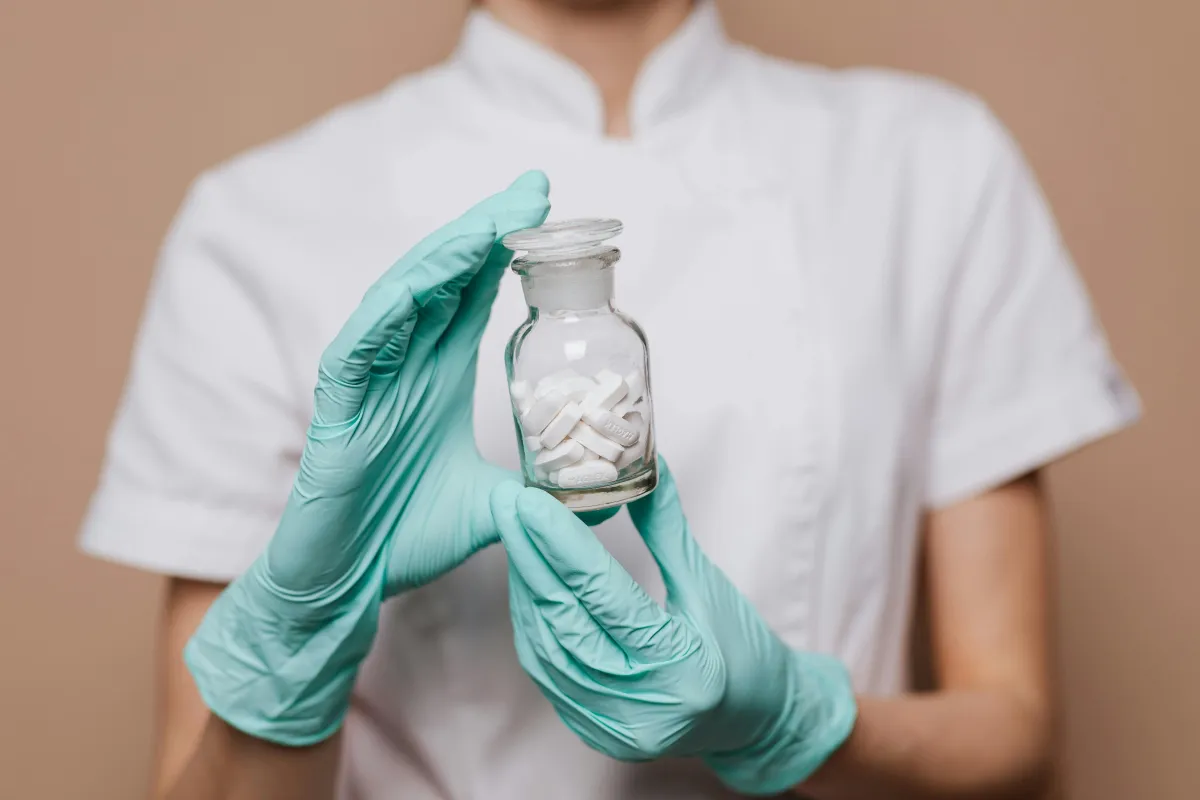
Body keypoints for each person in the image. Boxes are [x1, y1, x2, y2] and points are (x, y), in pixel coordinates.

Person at [79, 0, 1141, 798]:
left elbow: (1018, 729)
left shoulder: (931, 162)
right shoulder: (255, 221)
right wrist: (294, 644)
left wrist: (802, 719)